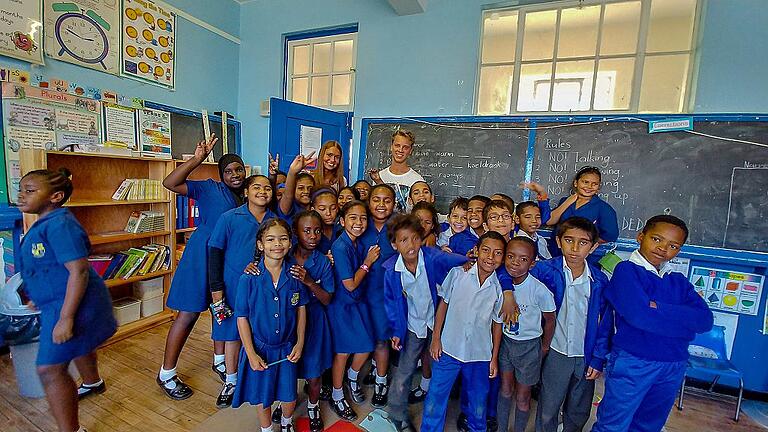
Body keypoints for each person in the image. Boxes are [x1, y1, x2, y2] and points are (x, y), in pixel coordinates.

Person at [17, 168, 117, 432]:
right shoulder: (44, 222)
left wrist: (66, 317)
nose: (21, 195)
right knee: (79, 345)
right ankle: (93, 381)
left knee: (49, 370)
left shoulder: (60, 224)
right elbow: (47, 266)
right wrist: (37, 296)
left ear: (56, 196)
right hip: (58, 302)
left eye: (30, 190)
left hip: (74, 304)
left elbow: (79, 270)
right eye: (21, 189)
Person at [592, 216, 713, 432]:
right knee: (613, 425)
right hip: (635, 361)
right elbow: (639, 316)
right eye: (656, 239)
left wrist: (658, 307)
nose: (663, 248)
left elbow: (705, 320)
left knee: (649, 425)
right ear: (641, 236)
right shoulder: (626, 271)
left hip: (673, 363)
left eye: (673, 245)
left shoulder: (678, 280)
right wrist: (683, 321)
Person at [159, 135, 245, 400]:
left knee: (223, 311)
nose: (234, 175)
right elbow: (170, 183)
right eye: (228, 171)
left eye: (238, 169)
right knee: (188, 314)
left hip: (229, 261)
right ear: (220, 175)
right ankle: (166, 373)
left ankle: (220, 359)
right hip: (202, 256)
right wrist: (197, 159)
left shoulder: (248, 194)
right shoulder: (209, 188)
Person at [383, 214, 468, 432]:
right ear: (394, 245)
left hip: (438, 325)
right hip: (412, 326)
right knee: (404, 371)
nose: (411, 245)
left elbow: (456, 260)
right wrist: (395, 330)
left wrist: (468, 261)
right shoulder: (392, 270)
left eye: (414, 238)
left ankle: (436, 407)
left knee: (441, 366)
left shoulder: (432, 257)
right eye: (403, 240)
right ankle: (398, 415)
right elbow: (392, 302)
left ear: (421, 239)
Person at [530, 217, 612, 432]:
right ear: (558, 241)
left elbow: (605, 324)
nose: (575, 248)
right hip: (556, 350)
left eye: (583, 243)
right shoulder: (545, 270)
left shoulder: (599, 280)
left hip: (585, 354)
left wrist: (598, 357)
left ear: (593, 246)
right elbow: (516, 278)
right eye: (569, 240)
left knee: (579, 409)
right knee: (548, 405)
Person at [421, 231, 507, 432]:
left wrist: (493, 358)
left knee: (478, 403)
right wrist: (436, 338)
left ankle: (477, 428)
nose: (490, 257)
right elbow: (443, 304)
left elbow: (497, 324)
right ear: (476, 250)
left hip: (480, 354)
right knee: (435, 398)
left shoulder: (499, 288)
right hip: (448, 348)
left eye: (497, 253)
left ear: (502, 257)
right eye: (485, 250)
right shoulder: (458, 274)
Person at [231, 218, 308, 432]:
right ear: (260, 244)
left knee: (289, 394)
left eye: (283, 238)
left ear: (290, 242)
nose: (277, 244)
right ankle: (266, 429)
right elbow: (242, 318)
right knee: (262, 397)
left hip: (287, 348)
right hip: (260, 348)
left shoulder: (294, 275)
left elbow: (301, 310)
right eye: (270, 239)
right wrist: (251, 353)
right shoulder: (249, 278)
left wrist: (300, 343)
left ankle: (286, 422)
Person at [207, 175, 276, 408]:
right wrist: (217, 292)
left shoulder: (274, 220)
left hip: (263, 289)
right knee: (231, 335)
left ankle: (255, 377)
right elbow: (215, 253)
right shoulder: (229, 218)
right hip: (232, 288)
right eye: (256, 187)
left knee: (257, 332)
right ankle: (231, 380)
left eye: (268, 188)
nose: (262, 191)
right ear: (246, 191)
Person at [496, 237, 556, 432]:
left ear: (532, 264)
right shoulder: (500, 284)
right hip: (506, 343)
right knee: (505, 389)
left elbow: (550, 320)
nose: (515, 262)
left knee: (523, 396)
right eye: (511, 256)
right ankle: (502, 428)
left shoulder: (539, 290)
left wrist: (545, 346)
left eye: (523, 259)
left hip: (529, 347)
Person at [327, 200, 379, 421]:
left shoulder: (357, 243)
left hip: (357, 303)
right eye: (353, 218)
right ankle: (337, 395)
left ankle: (352, 375)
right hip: (343, 305)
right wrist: (367, 262)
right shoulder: (340, 247)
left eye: (363, 218)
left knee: (367, 345)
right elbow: (349, 284)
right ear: (342, 221)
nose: (359, 222)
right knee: (343, 352)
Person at [291, 211, 336, 432]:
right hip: (288, 324)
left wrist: (309, 282)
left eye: (317, 231)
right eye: (306, 231)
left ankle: (313, 405)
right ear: (295, 233)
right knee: (288, 369)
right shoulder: (284, 256)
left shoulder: (322, 262)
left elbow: (327, 298)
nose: (313, 236)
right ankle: (285, 402)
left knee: (314, 372)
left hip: (315, 322)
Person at [359, 184, 398, 407]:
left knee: (382, 340)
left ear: (394, 204)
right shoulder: (361, 225)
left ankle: (381, 381)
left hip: (386, 294)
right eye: (376, 200)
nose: (381, 205)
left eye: (387, 200)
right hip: (362, 292)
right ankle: (372, 370)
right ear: (368, 202)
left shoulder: (397, 227)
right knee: (367, 336)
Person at [534, 167, 619, 252]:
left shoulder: (604, 208)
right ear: (576, 183)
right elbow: (549, 221)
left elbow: (610, 236)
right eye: (585, 182)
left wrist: (584, 244)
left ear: (598, 187)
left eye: (594, 184)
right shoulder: (565, 201)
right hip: (556, 250)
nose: (589, 186)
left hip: (583, 256)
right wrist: (568, 202)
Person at [369, 130, 425, 211]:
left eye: (405, 147)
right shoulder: (379, 177)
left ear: (411, 151)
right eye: (397, 145)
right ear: (391, 147)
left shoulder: (417, 180)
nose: (400, 150)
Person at [278, 153, 317, 224]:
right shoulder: (288, 207)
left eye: (310, 188)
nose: (306, 191)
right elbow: (287, 195)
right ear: (293, 190)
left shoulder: (317, 207)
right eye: (301, 188)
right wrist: (292, 172)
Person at [310, 188, 341, 255]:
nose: (328, 213)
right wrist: (324, 260)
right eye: (322, 209)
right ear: (313, 210)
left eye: (333, 208)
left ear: (338, 208)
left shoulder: (342, 228)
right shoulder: (310, 232)